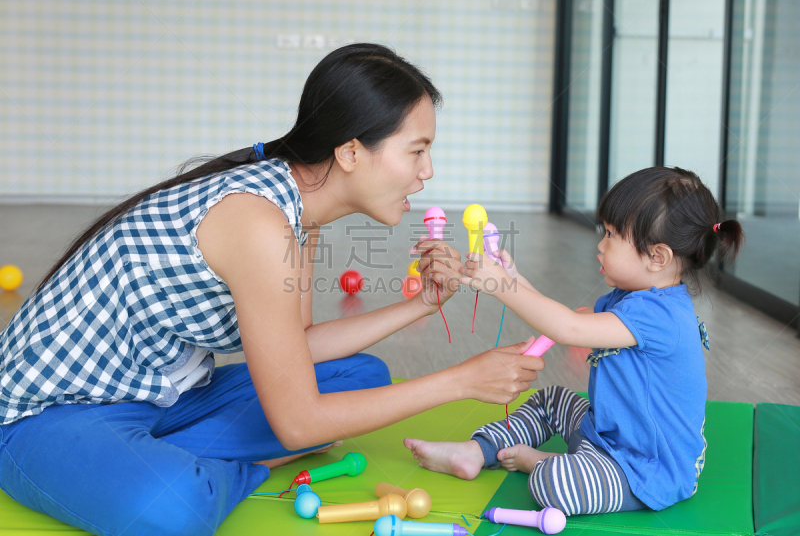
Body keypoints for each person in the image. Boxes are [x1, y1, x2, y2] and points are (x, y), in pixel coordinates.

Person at [0, 43, 544, 536]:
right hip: (52, 414)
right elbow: (298, 418)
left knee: (361, 377)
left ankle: (147, 456)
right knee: (174, 508)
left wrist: (420, 305)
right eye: (417, 150)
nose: (428, 171)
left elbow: (296, 349)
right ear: (352, 153)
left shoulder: (294, 212)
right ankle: (214, 469)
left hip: (162, 400)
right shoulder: (259, 222)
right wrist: (459, 381)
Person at [405, 167, 744, 515]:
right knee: (550, 399)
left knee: (551, 484)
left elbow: (568, 329)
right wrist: (513, 279)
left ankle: (541, 462)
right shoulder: (632, 298)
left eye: (611, 235)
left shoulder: (662, 316)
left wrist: (501, 286)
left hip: (645, 471)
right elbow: (569, 323)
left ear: (657, 257)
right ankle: (476, 452)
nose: (600, 245)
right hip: (605, 435)